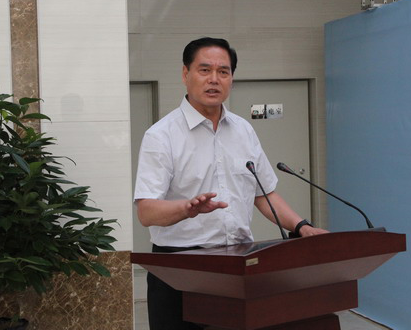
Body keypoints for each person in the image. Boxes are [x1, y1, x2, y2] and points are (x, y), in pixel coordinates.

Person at [134, 37, 328, 330]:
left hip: (238, 263)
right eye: (204, 70)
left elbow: (264, 195)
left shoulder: (243, 130)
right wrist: (187, 208)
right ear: (185, 74)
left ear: (232, 79)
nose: (214, 79)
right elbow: (146, 212)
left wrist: (302, 227)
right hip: (180, 268)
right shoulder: (161, 136)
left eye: (223, 72)